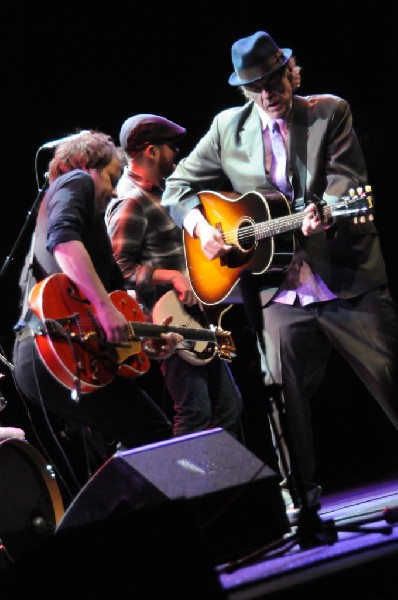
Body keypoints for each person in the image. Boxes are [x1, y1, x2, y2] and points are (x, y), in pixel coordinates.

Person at [161, 30, 398, 513]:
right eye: (256, 87)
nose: (268, 94)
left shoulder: (329, 112)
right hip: (279, 288)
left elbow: (346, 184)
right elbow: (177, 186)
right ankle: (301, 503)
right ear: (243, 91)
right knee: (282, 402)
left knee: (391, 373)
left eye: (274, 79)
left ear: (291, 71)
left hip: (344, 277)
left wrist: (324, 213)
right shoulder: (228, 127)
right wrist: (200, 225)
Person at [12, 131, 183, 499]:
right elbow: (63, 241)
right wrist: (106, 309)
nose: (114, 189)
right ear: (87, 164)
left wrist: (144, 339)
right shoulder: (74, 180)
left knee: (127, 445)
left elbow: (101, 308)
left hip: (59, 349)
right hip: (54, 345)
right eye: (111, 175)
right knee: (151, 432)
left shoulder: (80, 208)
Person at [105, 114, 243, 438]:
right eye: (171, 146)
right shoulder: (128, 202)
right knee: (196, 410)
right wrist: (173, 277)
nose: (176, 153)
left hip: (193, 316)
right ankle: (187, 487)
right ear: (151, 151)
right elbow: (118, 269)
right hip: (166, 323)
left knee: (228, 407)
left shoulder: (166, 191)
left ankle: (227, 486)